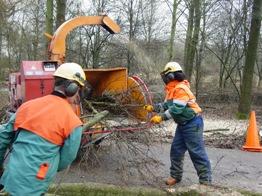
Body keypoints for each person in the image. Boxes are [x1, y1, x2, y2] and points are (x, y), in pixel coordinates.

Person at [0, 62, 86, 195]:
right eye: (78, 90)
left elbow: (3, 136)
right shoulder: (73, 122)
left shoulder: (26, 107)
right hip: (36, 184)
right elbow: (66, 160)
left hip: (11, 176)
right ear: (73, 88)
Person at [144, 62, 212, 185]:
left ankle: (205, 181)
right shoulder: (172, 89)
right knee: (176, 150)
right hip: (183, 124)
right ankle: (176, 176)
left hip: (192, 123)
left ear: (170, 76)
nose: (164, 78)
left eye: (166, 75)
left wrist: (161, 117)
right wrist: (152, 108)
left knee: (196, 152)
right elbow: (166, 105)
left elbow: (176, 109)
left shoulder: (181, 88)